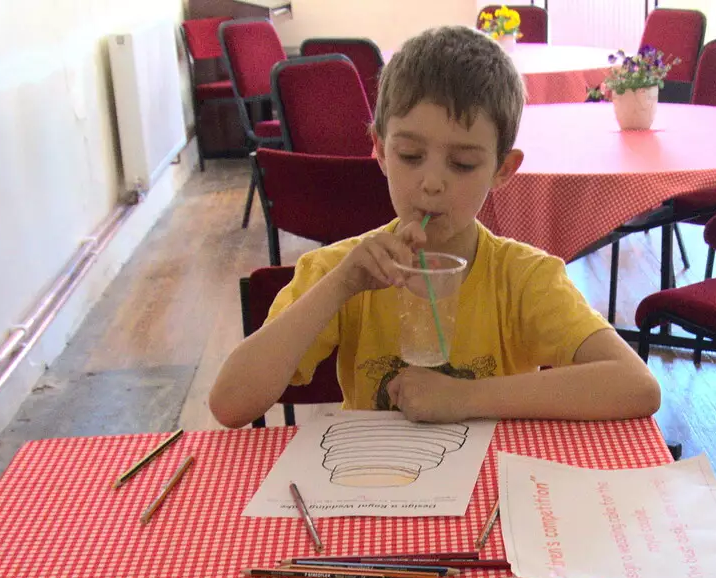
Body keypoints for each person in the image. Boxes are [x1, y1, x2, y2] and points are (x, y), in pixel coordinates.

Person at [209, 26, 661, 428]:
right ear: (381, 151)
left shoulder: (523, 278)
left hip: (493, 494)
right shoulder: (338, 270)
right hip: (371, 494)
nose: (431, 184)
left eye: (463, 163)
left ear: (503, 170)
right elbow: (230, 404)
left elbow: (637, 386)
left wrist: (466, 397)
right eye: (409, 156)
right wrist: (341, 284)